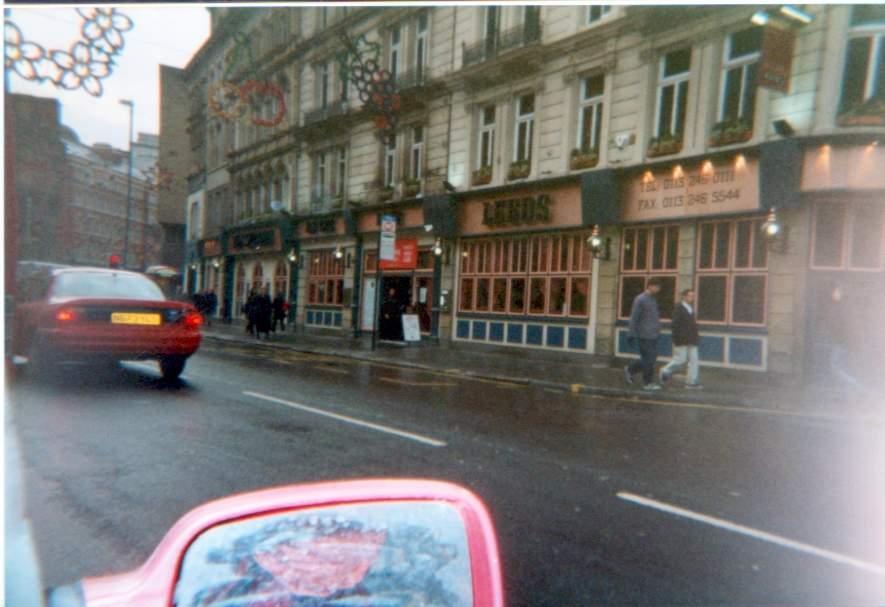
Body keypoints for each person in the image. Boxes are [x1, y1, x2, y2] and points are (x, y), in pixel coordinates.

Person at [625, 277, 663, 390]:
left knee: (652, 358)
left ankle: (631, 369)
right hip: (643, 334)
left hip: (654, 334)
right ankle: (648, 383)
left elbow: (654, 317)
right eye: (656, 287)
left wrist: (657, 330)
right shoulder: (640, 299)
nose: (658, 289)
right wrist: (631, 334)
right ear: (650, 286)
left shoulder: (653, 299)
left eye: (659, 287)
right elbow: (634, 318)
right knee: (649, 358)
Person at [660, 289, 702, 389]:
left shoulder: (691, 309)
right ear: (684, 296)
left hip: (692, 338)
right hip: (682, 339)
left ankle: (691, 382)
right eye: (690, 296)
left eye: (693, 296)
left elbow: (693, 325)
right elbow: (675, 325)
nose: (692, 298)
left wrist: (696, 336)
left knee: (694, 360)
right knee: (680, 360)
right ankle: (665, 371)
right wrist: (679, 337)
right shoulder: (679, 309)